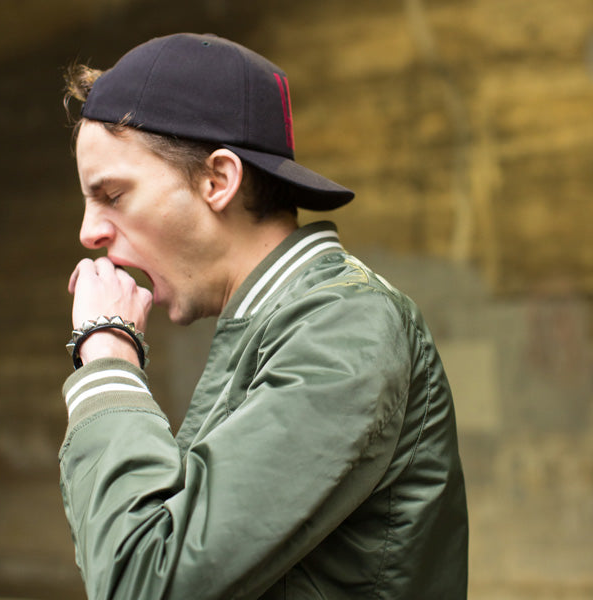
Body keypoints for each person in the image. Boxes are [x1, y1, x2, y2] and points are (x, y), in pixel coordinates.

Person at [60, 33, 468, 599]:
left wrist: (108, 357)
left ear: (218, 180)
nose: (89, 232)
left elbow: (143, 580)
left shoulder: (345, 330)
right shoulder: (284, 324)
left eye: (112, 195)